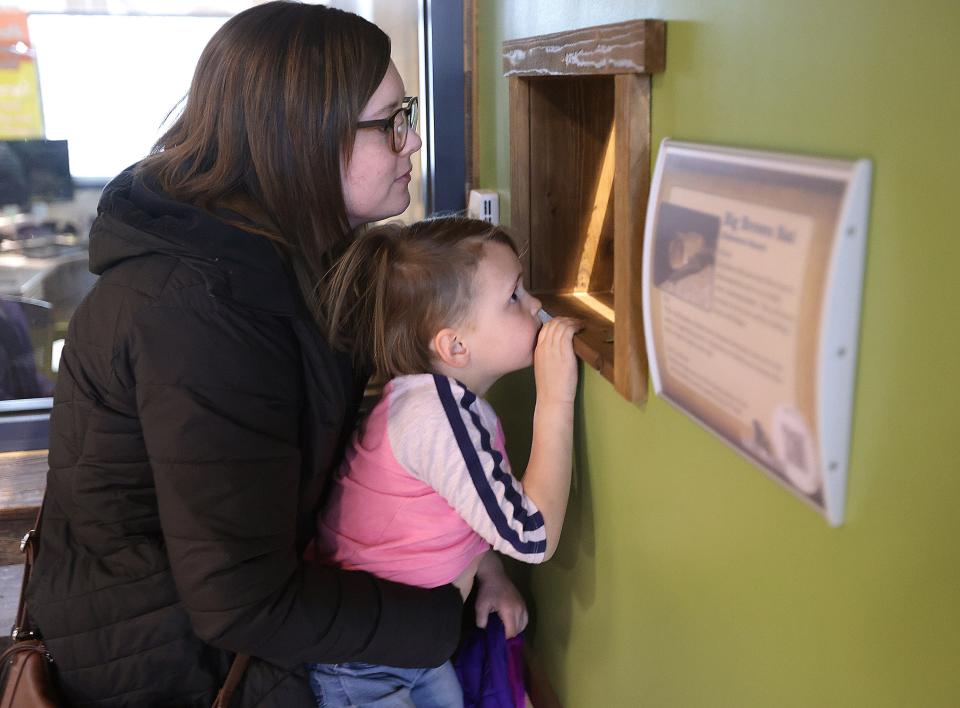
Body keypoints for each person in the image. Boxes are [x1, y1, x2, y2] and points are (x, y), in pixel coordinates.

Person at [25, 4, 524, 706]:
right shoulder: (201, 312)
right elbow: (238, 600)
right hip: (176, 670)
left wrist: (475, 558)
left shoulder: (290, 262)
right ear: (303, 139)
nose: (411, 142)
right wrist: (441, 619)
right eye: (392, 123)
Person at [307, 217, 581, 707]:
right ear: (455, 345)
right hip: (363, 659)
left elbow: (452, 512)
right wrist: (555, 400)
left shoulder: (442, 405)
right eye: (514, 297)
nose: (536, 305)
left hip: (409, 642)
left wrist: (491, 576)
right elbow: (533, 534)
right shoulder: (436, 418)